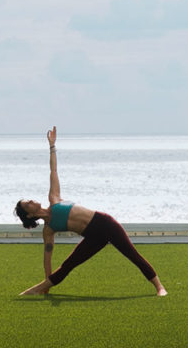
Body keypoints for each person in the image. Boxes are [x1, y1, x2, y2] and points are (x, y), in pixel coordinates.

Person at [15, 126, 168, 297]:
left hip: (104, 223)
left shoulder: (54, 199)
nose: (31, 200)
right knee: (68, 265)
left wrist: (52, 146)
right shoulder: (48, 229)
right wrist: (47, 281)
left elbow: (54, 170)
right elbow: (47, 258)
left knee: (131, 254)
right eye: (27, 203)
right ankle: (39, 288)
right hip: (93, 236)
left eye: (29, 199)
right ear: (29, 214)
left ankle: (160, 287)